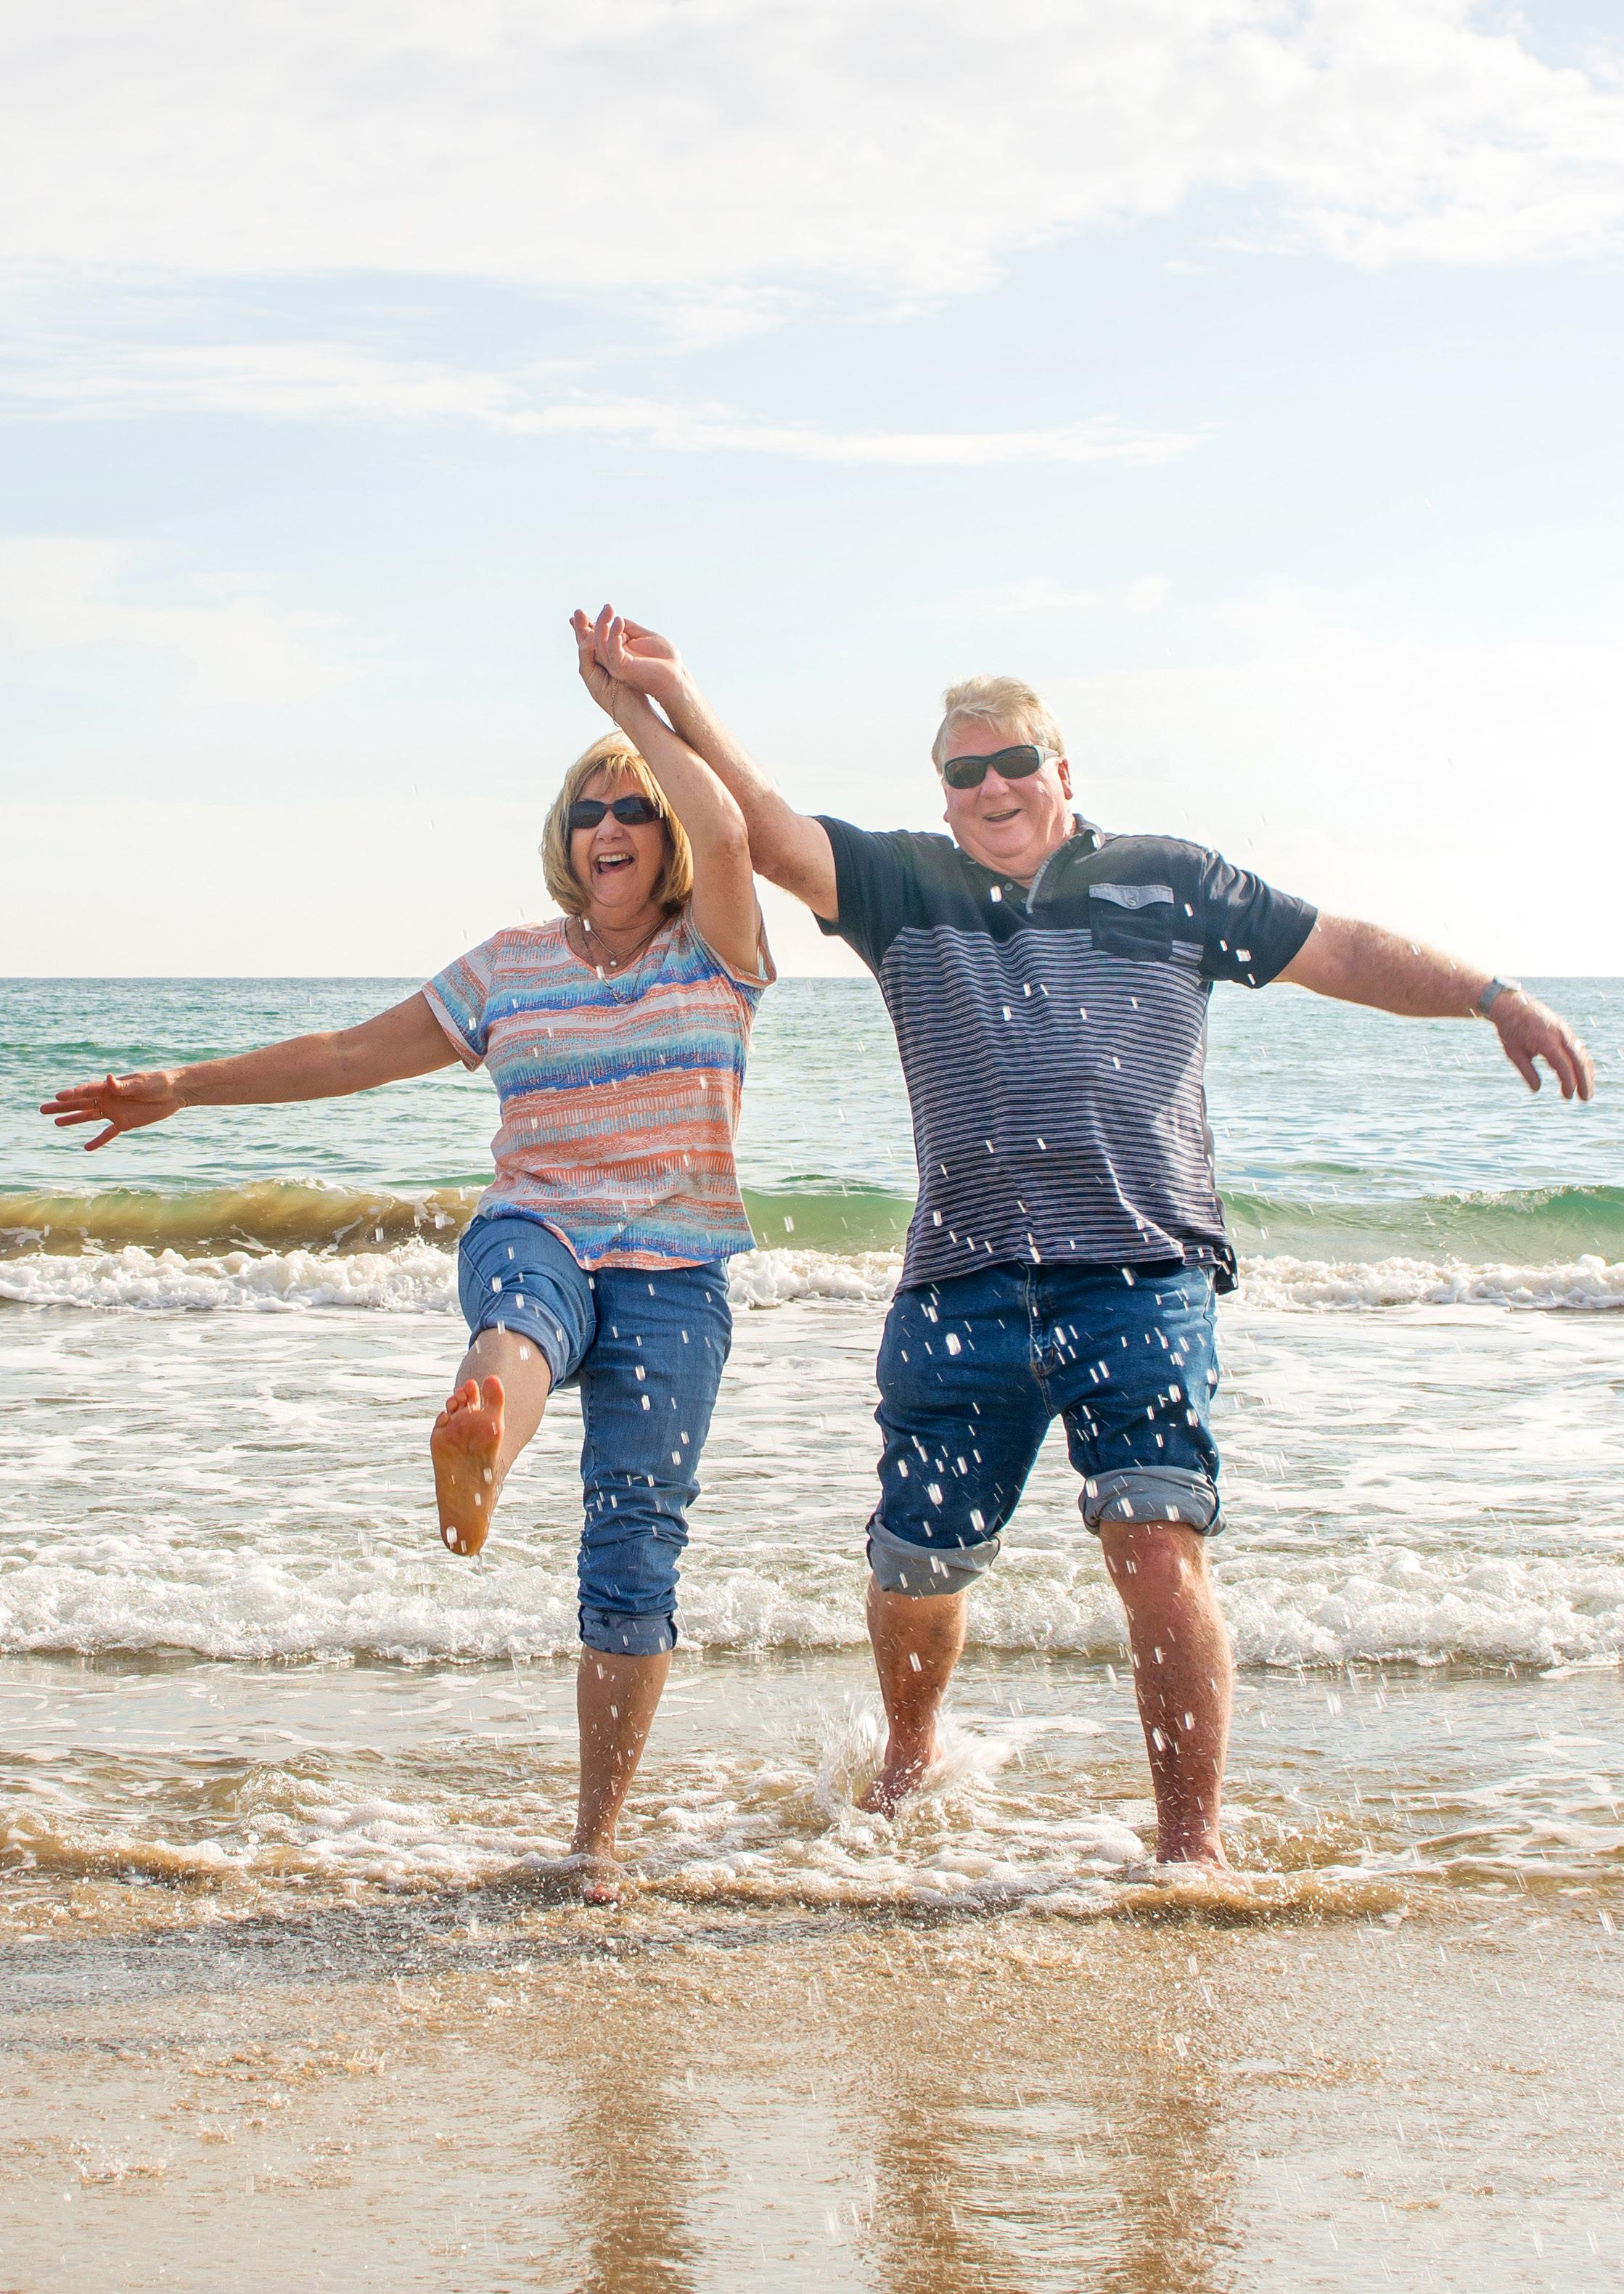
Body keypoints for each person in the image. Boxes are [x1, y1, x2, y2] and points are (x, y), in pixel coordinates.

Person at [576, 610, 1595, 1869]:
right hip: (961, 1281)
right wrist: (659, 697)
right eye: (965, 771)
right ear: (943, 795)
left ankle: (1189, 1848)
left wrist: (1492, 996)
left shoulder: (1172, 880)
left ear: (1061, 769)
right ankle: (910, 1751)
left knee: (1156, 1539)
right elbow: (768, 831)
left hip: (1140, 1275)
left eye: (1013, 761)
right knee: (916, 1564)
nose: (992, 786)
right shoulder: (906, 886)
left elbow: (1337, 948)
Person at [39, 606, 773, 1893]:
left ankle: (594, 1836)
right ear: (563, 838)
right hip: (535, 1223)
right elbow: (347, 1055)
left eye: (632, 810)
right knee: (523, 1316)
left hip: (676, 1265)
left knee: (633, 1541)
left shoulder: (716, 952)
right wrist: (183, 1085)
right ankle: (481, 1428)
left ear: (663, 837)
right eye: (588, 811)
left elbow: (728, 829)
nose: (609, 826)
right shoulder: (508, 966)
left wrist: (629, 707)